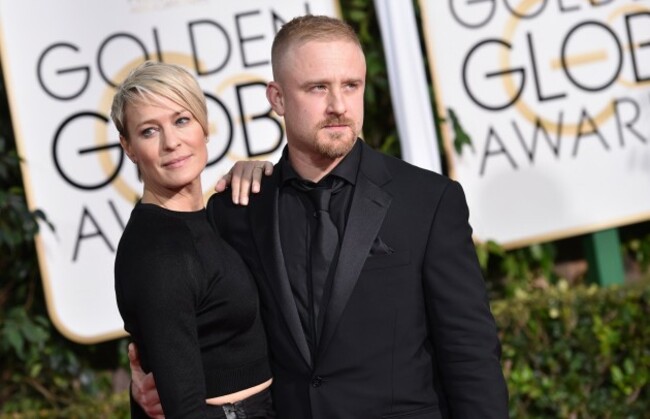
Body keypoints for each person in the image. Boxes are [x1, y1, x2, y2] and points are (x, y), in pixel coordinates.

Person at [131, 15, 509, 418]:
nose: (339, 106)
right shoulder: (237, 210)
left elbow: (470, 355)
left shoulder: (427, 201)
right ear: (277, 98)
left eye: (351, 85)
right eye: (317, 88)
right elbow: (203, 326)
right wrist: (151, 386)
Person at [111, 61, 274, 418]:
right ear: (129, 147)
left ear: (204, 126)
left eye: (181, 120)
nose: (172, 142)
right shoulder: (158, 250)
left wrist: (256, 169)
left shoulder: (215, 217)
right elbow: (184, 408)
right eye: (149, 131)